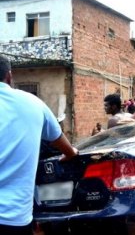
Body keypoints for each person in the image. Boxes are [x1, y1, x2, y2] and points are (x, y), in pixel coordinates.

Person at [0, 55, 78, 235]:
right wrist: (71, 153)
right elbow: (66, 148)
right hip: (13, 218)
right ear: (10, 77)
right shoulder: (34, 103)